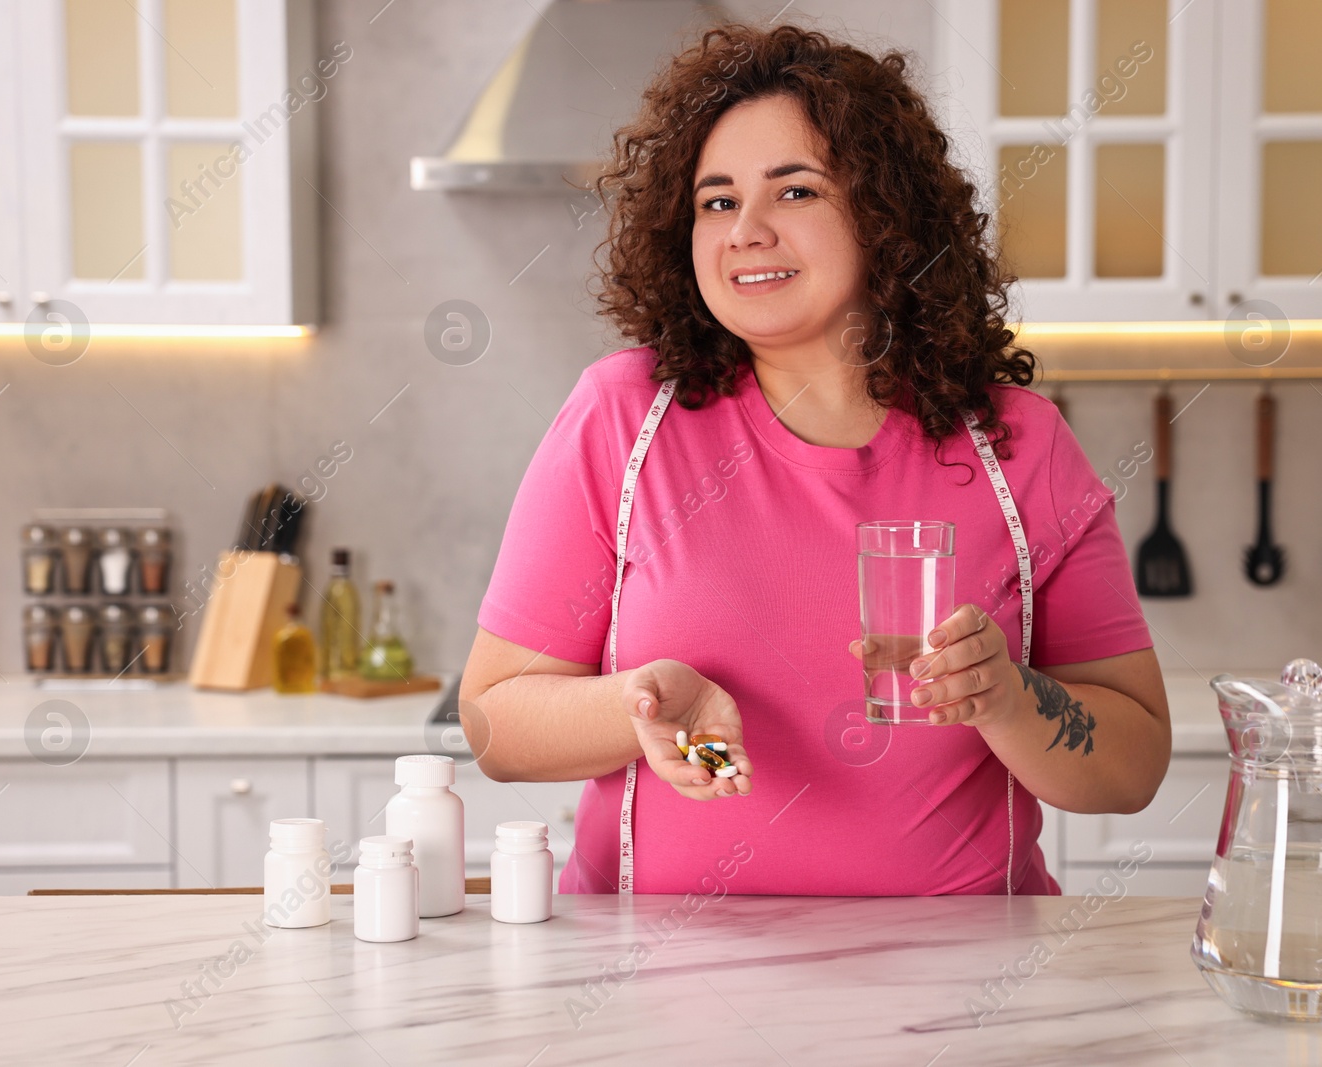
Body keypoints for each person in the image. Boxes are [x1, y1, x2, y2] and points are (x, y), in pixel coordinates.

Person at [460, 24, 1171, 895]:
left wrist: (1009, 699)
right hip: (659, 992)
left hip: (963, 998)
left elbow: (1134, 767)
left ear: (885, 213)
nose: (745, 230)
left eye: (793, 191)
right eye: (716, 202)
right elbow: (493, 721)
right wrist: (641, 706)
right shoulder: (624, 418)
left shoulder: (1015, 444)